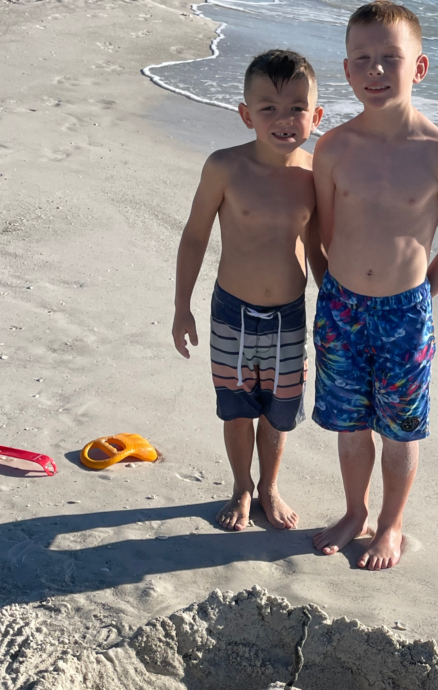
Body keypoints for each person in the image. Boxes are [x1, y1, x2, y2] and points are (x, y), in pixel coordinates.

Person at [311, 1, 438, 569]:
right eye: (363, 60)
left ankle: (391, 523)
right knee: (351, 423)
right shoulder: (333, 147)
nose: (376, 70)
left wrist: (419, 298)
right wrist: (328, 296)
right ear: (348, 70)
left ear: (419, 68)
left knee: (401, 429)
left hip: (406, 311)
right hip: (340, 306)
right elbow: (320, 234)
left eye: (390, 58)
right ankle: (354, 510)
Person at [172, 50, 324, 531]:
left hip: (288, 315)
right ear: (245, 114)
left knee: (280, 413)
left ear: (316, 116)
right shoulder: (224, 167)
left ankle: (270, 486)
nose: (284, 119)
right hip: (230, 311)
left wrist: (333, 311)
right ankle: (242, 485)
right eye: (269, 108)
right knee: (237, 408)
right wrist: (182, 308)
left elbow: (318, 248)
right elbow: (195, 235)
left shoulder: (317, 175)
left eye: (297, 107)